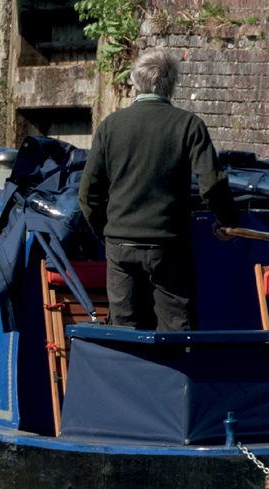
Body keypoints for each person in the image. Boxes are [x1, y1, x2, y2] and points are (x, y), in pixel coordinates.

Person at [78, 49, 238, 331]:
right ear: (171, 85)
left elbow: (88, 194)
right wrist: (227, 219)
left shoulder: (109, 127)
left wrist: (109, 232)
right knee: (177, 331)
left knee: (124, 333)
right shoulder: (189, 125)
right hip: (169, 248)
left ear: (135, 82)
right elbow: (212, 183)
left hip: (120, 249)